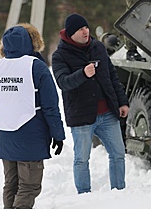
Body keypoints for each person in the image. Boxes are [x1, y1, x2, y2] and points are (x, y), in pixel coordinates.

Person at [0, 25, 65, 209]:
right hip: (31, 138)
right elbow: (50, 106)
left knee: (11, 184)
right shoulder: (36, 66)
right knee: (29, 186)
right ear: (31, 43)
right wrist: (58, 134)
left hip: (5, 138)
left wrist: (8, 105)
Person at [51, 13, 129, 193]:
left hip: (108, 113)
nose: (85, 31)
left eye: (86, 27)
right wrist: (83, 74)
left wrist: (122, 102)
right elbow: (63, 82)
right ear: (71, 33)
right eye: (80, 29)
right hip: (82, 115)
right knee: (82, 159)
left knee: (118, 155)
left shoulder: (98, 47)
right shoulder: (60, 55)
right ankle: (84, 196)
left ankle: (119, 192)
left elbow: (112, 76)